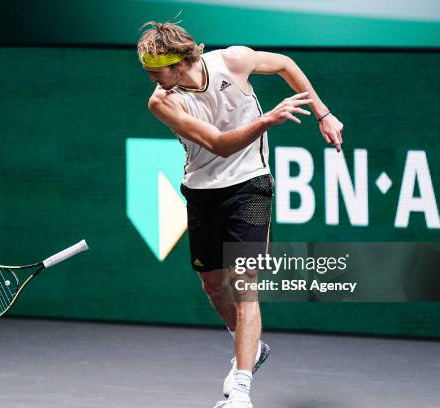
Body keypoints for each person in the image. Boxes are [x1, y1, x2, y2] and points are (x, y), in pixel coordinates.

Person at [136, 20, 343, 408]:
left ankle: (242, 389)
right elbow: (218, 145)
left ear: (179, 61)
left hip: (251, 185)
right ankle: (251, 346)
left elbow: (284, 64)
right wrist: (266, 120)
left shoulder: (233, 60)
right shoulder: (162, 101)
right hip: (202, 193)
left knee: (244, 285)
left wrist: (322, 112)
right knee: (213, 286)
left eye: (155, 70)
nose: (150, 77)